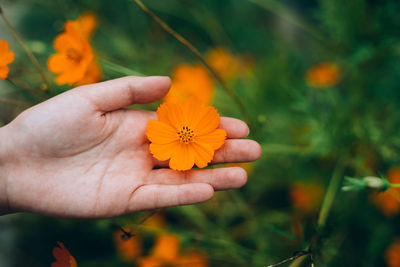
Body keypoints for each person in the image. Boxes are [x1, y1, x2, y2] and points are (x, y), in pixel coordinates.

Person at [0, 76, 261, 218]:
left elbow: (206, 136)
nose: (184, 133)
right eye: (184, 132)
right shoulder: (164, 136)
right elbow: (160, 136)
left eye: (185, 132)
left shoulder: (201, 132)